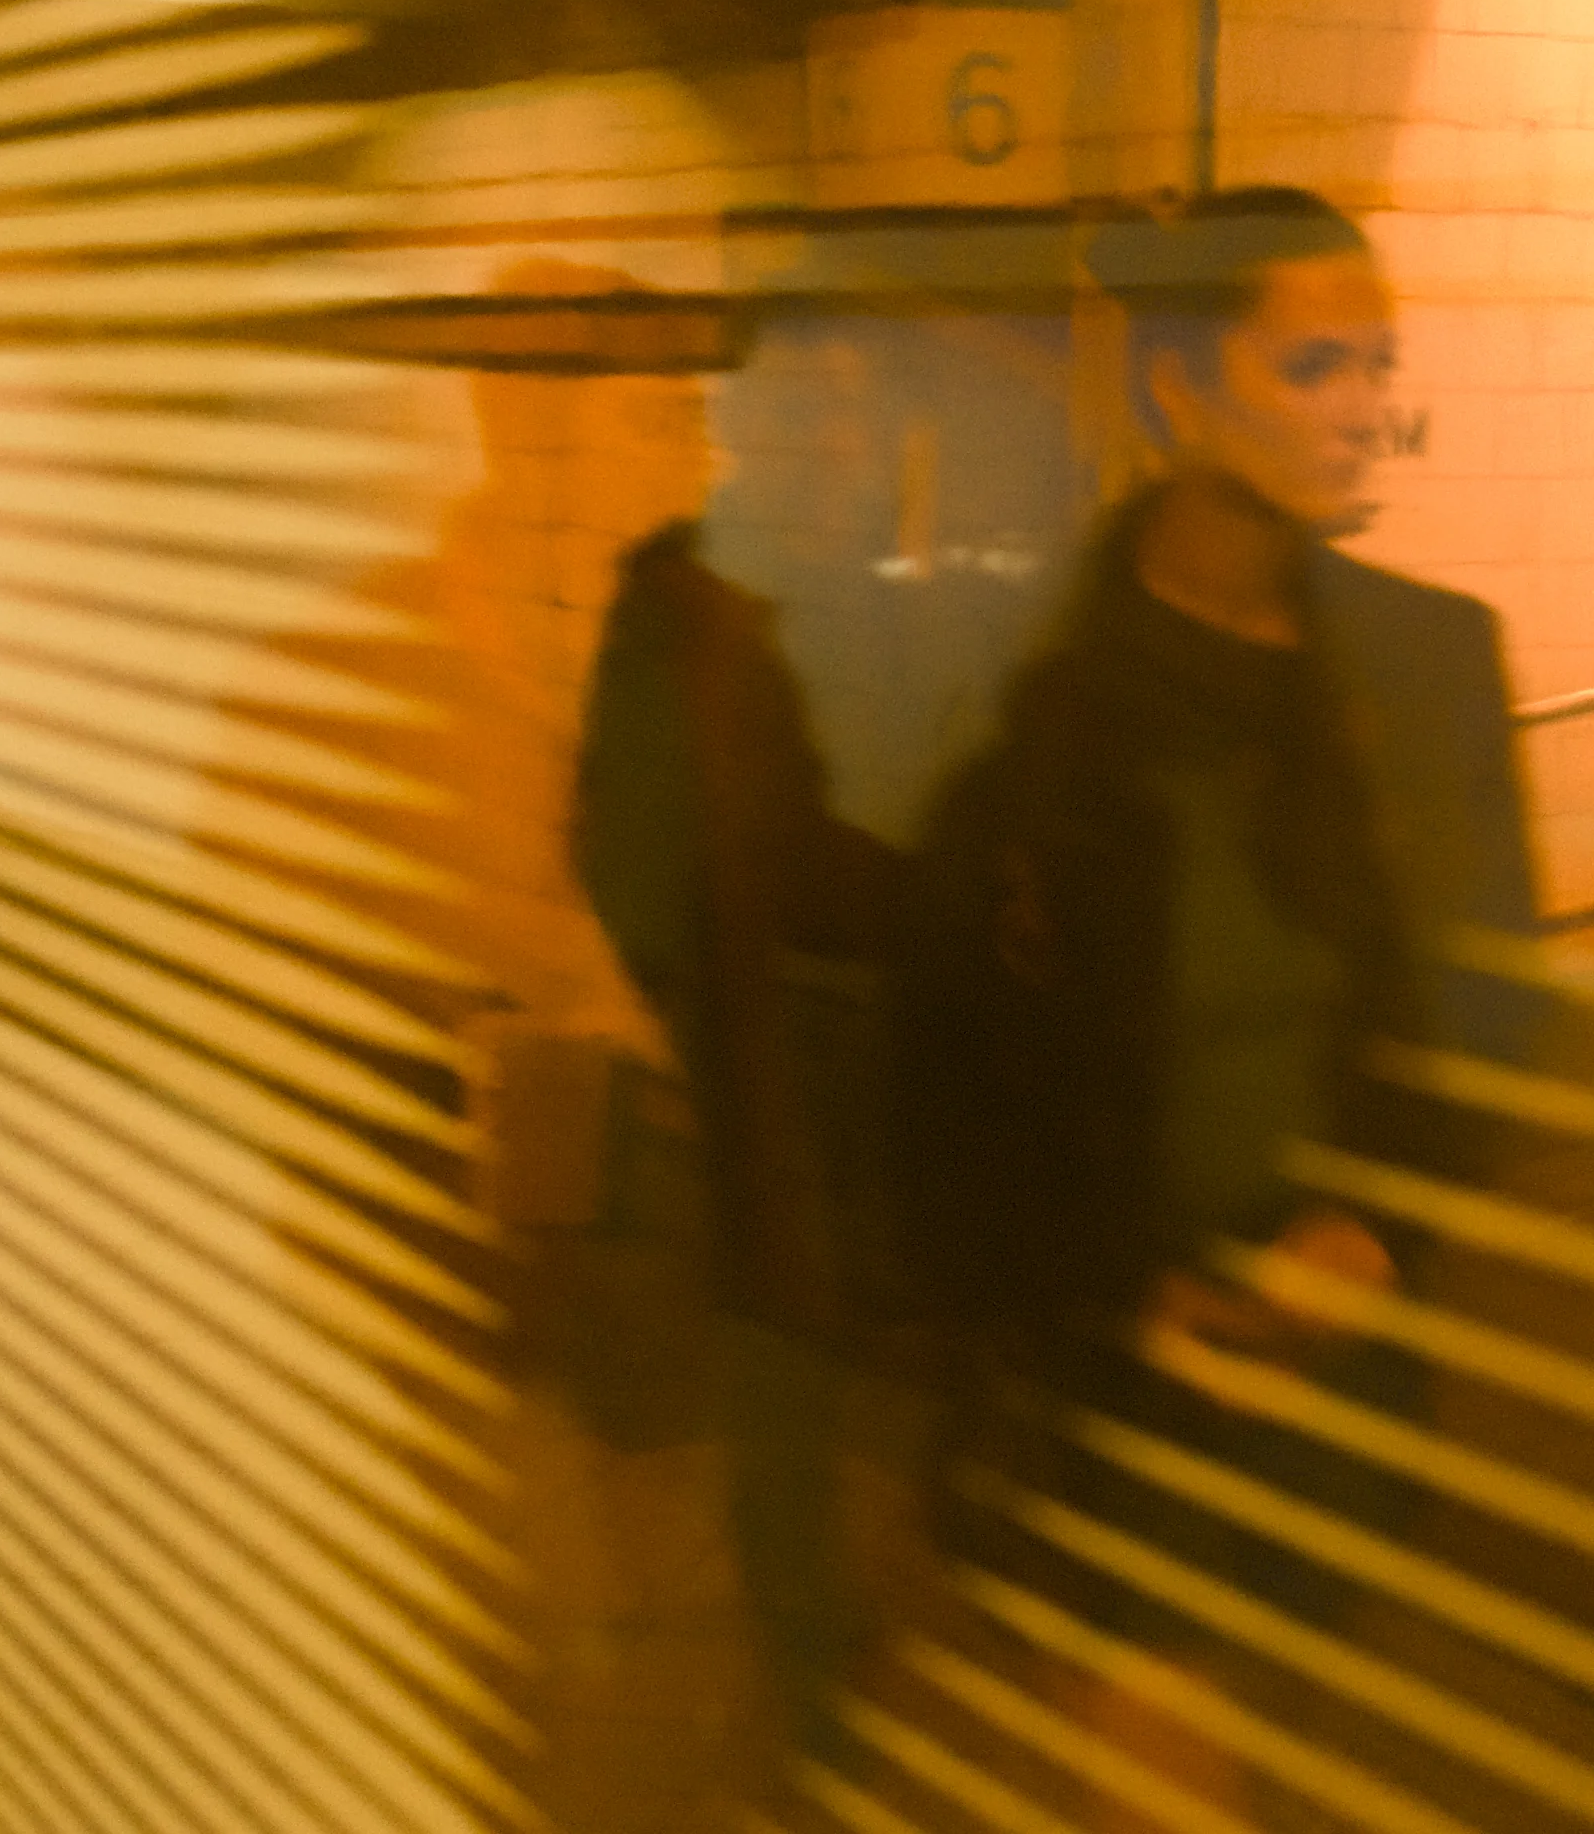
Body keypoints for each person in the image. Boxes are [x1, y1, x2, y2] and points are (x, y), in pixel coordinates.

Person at [891, 186, 1543, 1824]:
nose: (1364, 406)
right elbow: (946, 1068)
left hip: (1337, 1361)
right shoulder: (1026, 683)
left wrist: (1374, 1233)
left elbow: (1493, 1001)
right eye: (1315, 363)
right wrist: (1119, 1288)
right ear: (1178, 396)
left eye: (1378, 363)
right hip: (1115, 1370)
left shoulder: (1425, 661)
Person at [568, 298, 907, 1758]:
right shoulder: (678, 605)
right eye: (804, 412)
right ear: (744, 433)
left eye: (857, 413)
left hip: (899, 1050)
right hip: (769, 1054)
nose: (837, 443)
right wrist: (695, 1003)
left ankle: (856, 1604)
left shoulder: (899, 595)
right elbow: (620, 840)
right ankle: (807, 1668)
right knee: (781, 1364)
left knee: (875, 1356)